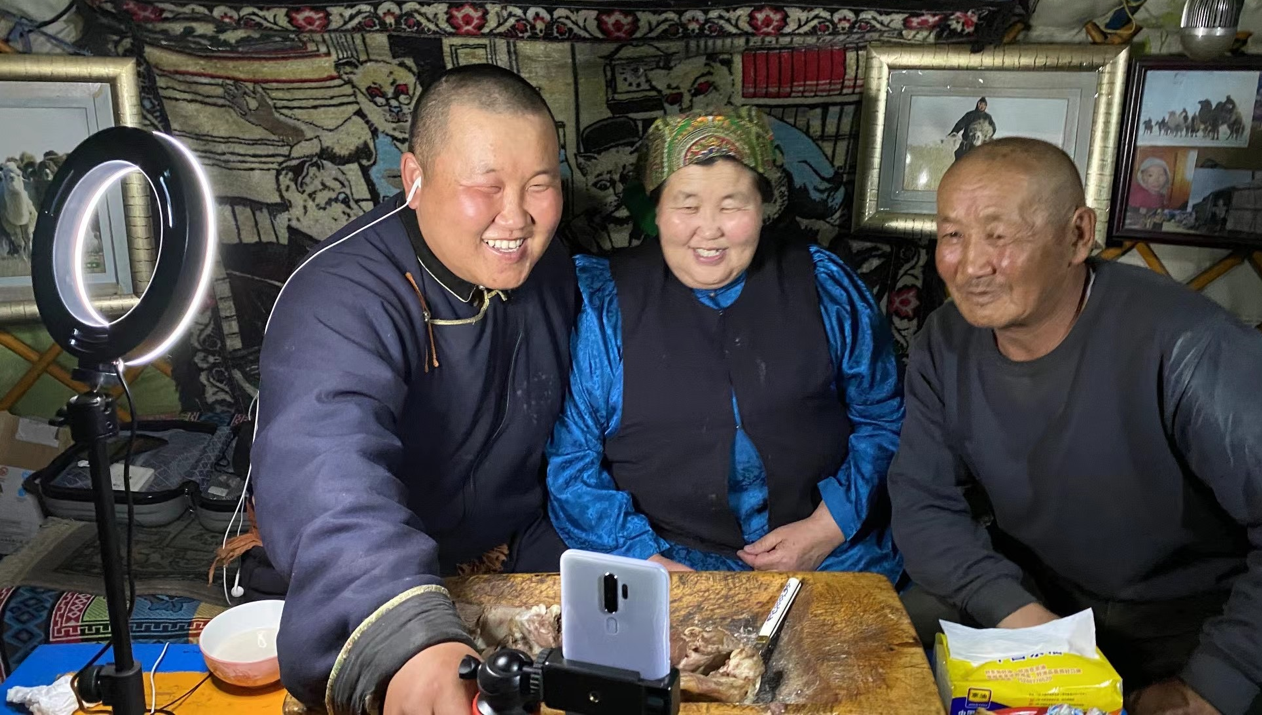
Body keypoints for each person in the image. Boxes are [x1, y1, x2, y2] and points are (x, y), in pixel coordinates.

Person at [888, 137, 1262, 715]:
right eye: (952, 236)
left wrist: (1212, 686)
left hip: (1194, 626)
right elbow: (922, 498)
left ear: (1077, 236)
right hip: (1038, 599)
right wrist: (1024, 622)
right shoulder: (945, 341)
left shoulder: (1190, 346)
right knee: (870, 655)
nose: (970, 267)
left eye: (999, 235)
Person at [251, 65, 576, 715]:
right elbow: (326, 466)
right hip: (381, 574)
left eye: (540, 185)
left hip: (521, 548)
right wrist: (407, 637)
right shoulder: (339, 293)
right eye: (486, 186)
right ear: (414, 177)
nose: (516, 217)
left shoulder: (552, 266)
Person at [544, 107, 905, 579]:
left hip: (832, 554)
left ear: (763, 207)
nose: (710, 228)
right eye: (687, 205)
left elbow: (883, 417)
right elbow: (572, 463)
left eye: (733, 205)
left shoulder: (822, 285)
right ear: (655, 211)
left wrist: (827, 527)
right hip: (669, 558)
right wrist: (645, 561)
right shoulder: (604, 304)